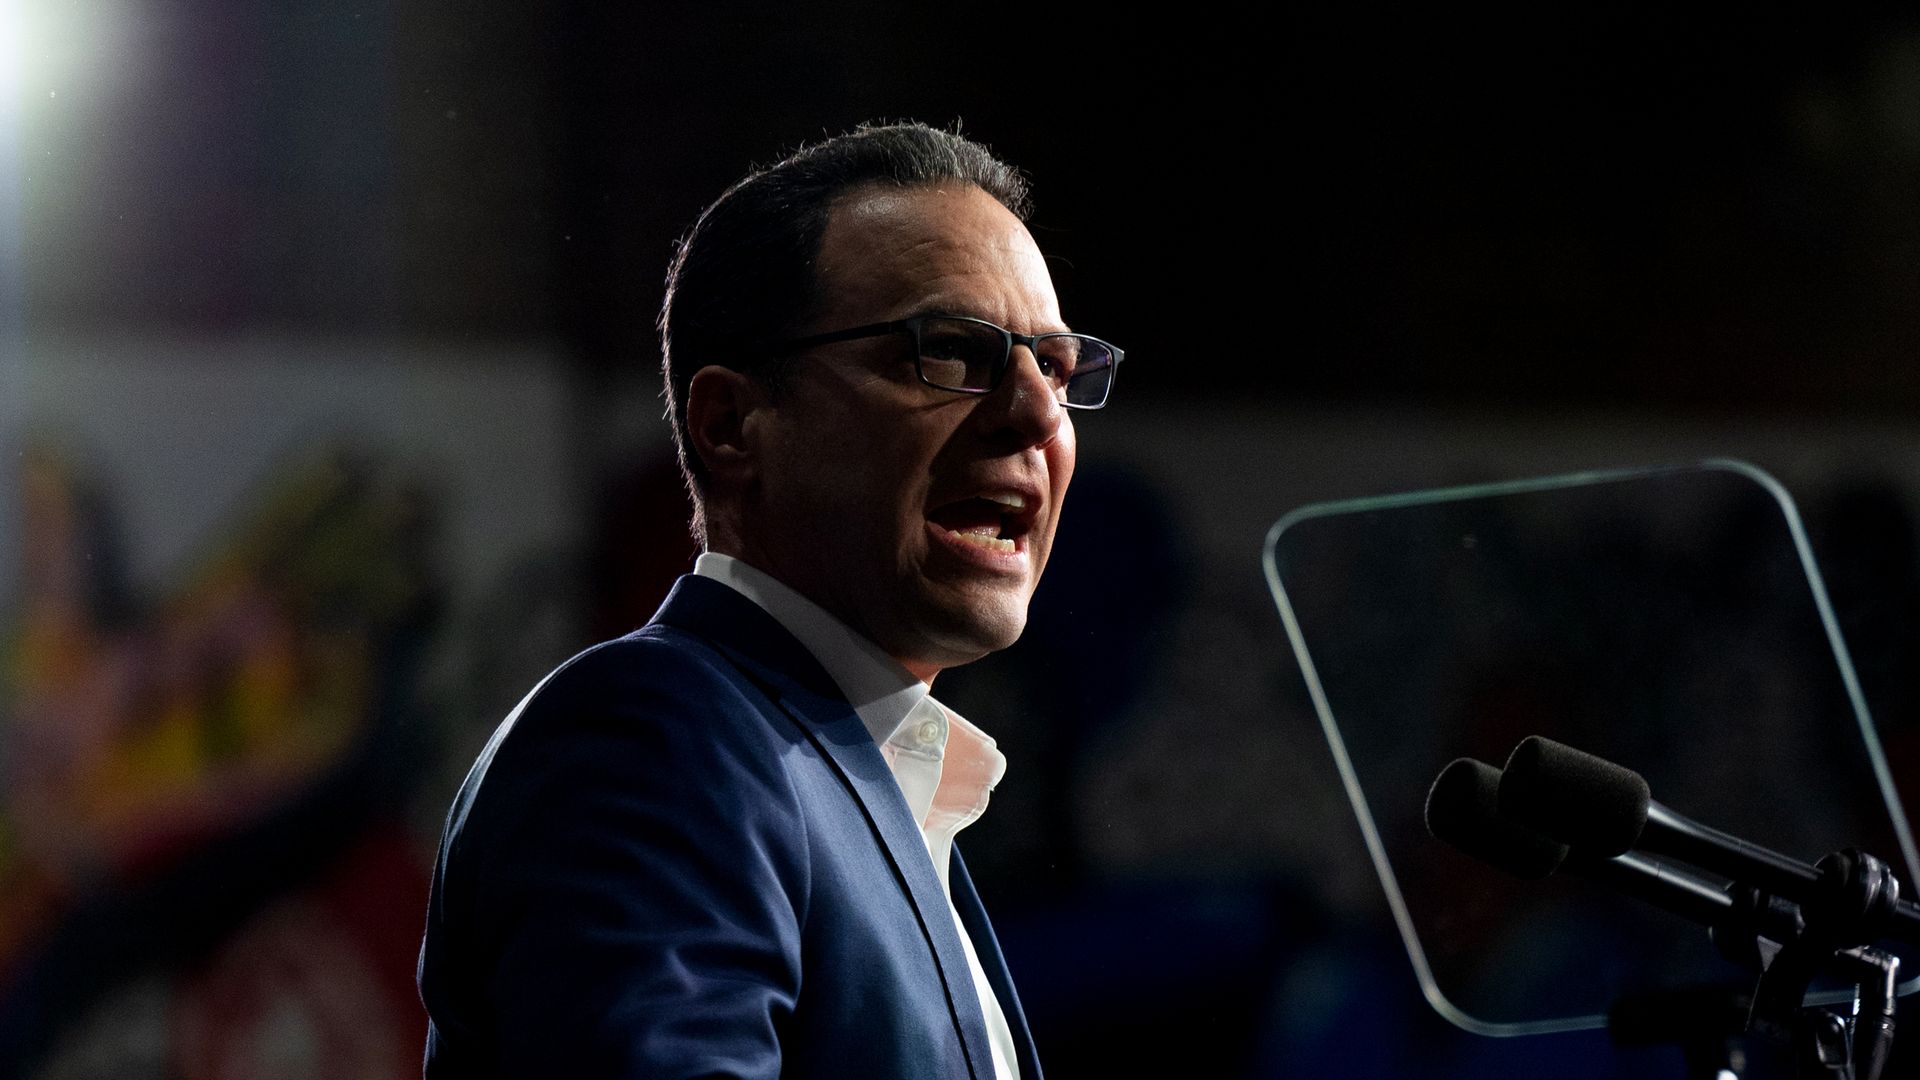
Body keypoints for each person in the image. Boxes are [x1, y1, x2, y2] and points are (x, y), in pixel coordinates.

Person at [417, 121, 1124, 1079]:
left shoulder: (869, 784)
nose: (1039, 415)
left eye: (1055, 367)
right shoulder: (656, 742)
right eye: (950, 352)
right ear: (731, 425)